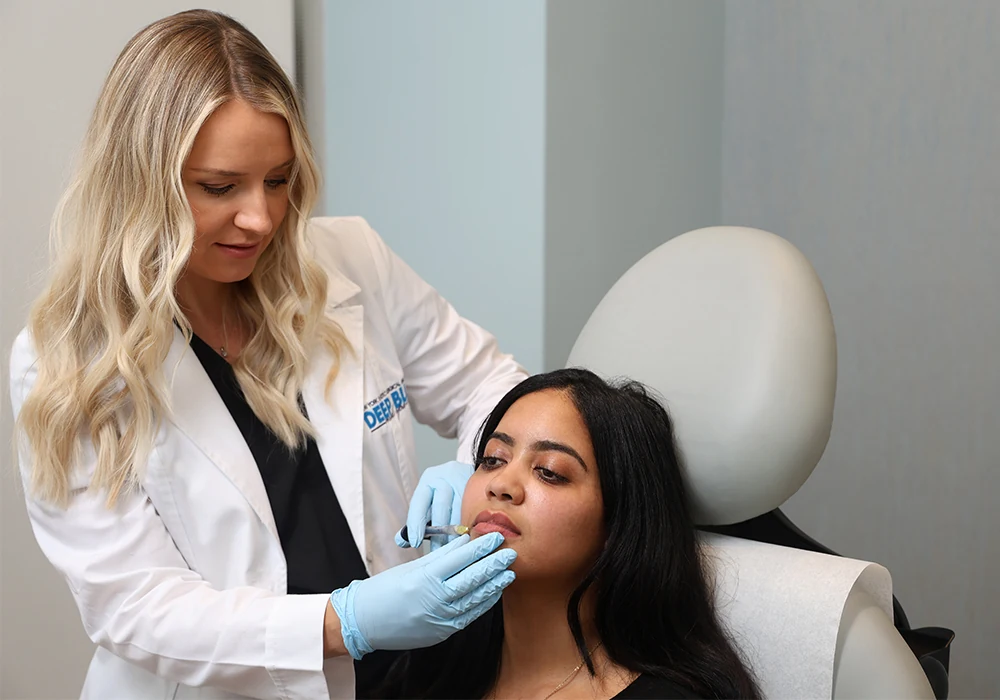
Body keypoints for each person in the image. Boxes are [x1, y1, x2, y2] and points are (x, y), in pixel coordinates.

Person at [8, 9, 527, 700]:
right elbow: (132, 607)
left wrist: (475, 464)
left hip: (400, 678)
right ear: (139, 184)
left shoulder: (351, 260)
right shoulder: (68, 359)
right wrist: (344, 622)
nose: (261, 218)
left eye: (278, 180)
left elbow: (493, 386)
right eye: (220, 188)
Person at [374, 368, 763, 699]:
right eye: (492, 459)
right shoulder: (433, 662)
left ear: (618, 524)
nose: (501, 485)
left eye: (550, 472)